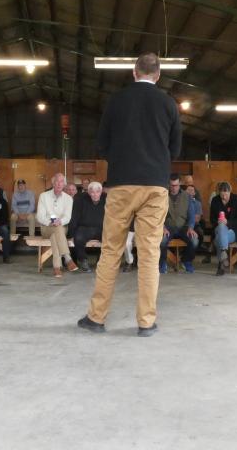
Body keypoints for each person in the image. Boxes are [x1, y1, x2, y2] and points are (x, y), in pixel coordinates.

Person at [78, 52, 181, 337]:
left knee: (111, 251)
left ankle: (96, 318)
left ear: (134, 72)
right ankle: (146, 322)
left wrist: (122, 161)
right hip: (155, 187)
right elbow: (175, 149)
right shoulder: (168, 104)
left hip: (122, 185)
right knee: (149, 254)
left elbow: (102, 143)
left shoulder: (117, 100)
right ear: (157, 75)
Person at [37, 173, 77, 278]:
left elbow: (67, 217)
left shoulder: (68, 198)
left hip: (62, 227)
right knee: (56, 229)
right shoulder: (43, 196)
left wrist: (60, 221)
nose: (59, 184)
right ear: (53, 182)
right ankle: (67, 258)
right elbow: (39, 216)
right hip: (46, 227)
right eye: (57, 181)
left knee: (56, 234)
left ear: (64, 184)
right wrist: (50, 222)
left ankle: (57, 267)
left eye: (61, 181)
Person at [160, 173, 198, 274]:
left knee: (194, 240)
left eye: (176, 185)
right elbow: (158, 215)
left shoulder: (187, 197)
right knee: (162, 240)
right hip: (168, 227)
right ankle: (162, 262)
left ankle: (186, 261)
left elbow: (191, 215)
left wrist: (190, 227)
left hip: (183, 227)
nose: (174, 188)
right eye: (172, 185)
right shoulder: (163, 196)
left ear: (180, 184)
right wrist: (163, 227)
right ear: (168, 184)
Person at [68, 181, 106, 272]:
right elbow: (75, 217)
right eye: (92, 192)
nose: (95, 194)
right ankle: (83, 260)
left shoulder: (107, 198)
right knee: (78, 238)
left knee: (109, 238)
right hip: (84, 228)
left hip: (102, 228)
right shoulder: (80, 199)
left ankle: (101, 261)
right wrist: (71, 234)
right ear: (88, 192)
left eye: (97, 192)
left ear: (101, 192)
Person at [210, 181, 237, 275]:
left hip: (233, 231)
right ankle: (224, 252)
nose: (224, 195)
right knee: (221, 227)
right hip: (219, 228)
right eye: (222, 193)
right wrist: (218, 222)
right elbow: (211, 218)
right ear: (219, 192)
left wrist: (228, 222)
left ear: (230, 192)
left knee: (218, 239)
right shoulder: (215, 200)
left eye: (226, 193)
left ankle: (221, 264)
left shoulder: (236, 199)